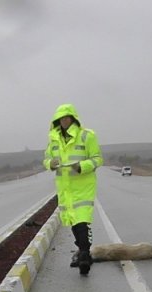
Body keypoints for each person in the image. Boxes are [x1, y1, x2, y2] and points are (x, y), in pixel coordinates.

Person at [43, 104, 103, 275]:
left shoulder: (87, 136)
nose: (64, 121)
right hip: (65, 187)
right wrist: (50, 164)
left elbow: (98, 159)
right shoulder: (53, 139)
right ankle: (84, 252)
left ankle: (84, 254)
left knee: (82, 219)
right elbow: (46, 159)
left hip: (83, 185)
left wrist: (81, 166)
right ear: (57, 121)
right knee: (72, 220)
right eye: (61, 118)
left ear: (74, 119)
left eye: (67, 118)